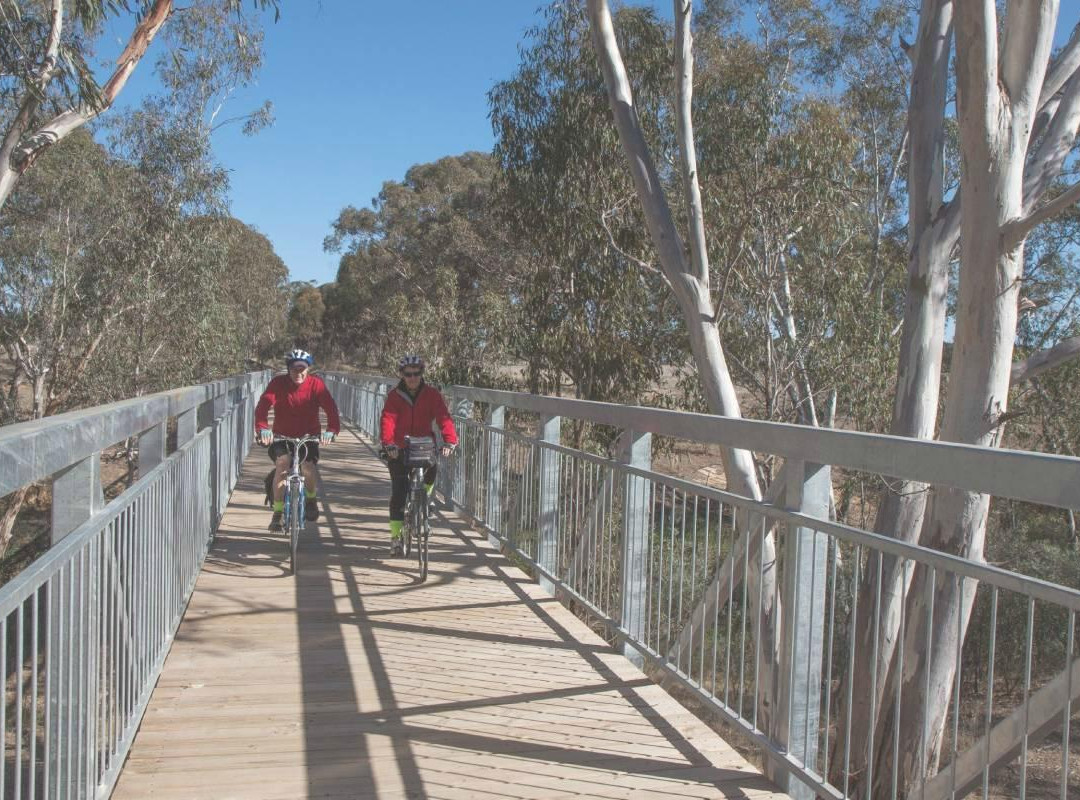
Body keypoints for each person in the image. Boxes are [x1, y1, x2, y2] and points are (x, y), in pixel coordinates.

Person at [255, 349, 341, 531]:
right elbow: (262, 407)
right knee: (282, 464)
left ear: (308, 369)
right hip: (282, 437)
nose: (299, 373)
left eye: (303, 369)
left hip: (309, 437)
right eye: (295, 369)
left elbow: (331, 409)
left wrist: (331, 431)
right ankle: (277, 514)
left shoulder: (316, 385)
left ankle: (310, 499)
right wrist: (263, 429)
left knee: (308, 467)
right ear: (288, 369)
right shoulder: (278, 384)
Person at [380, 354, 457, 555]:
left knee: (434, 465)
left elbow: (444, 418)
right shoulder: (394, 396)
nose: (413, 378)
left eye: (417, 373)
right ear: (402, 375)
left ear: (422, 374)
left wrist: (450, 440)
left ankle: (427, 495)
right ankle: (396, 538)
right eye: (408, 374)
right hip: (399, 448)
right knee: (399, 493)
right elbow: (388, 420)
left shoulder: (431, 394)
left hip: (423, 445)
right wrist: (388, 444)